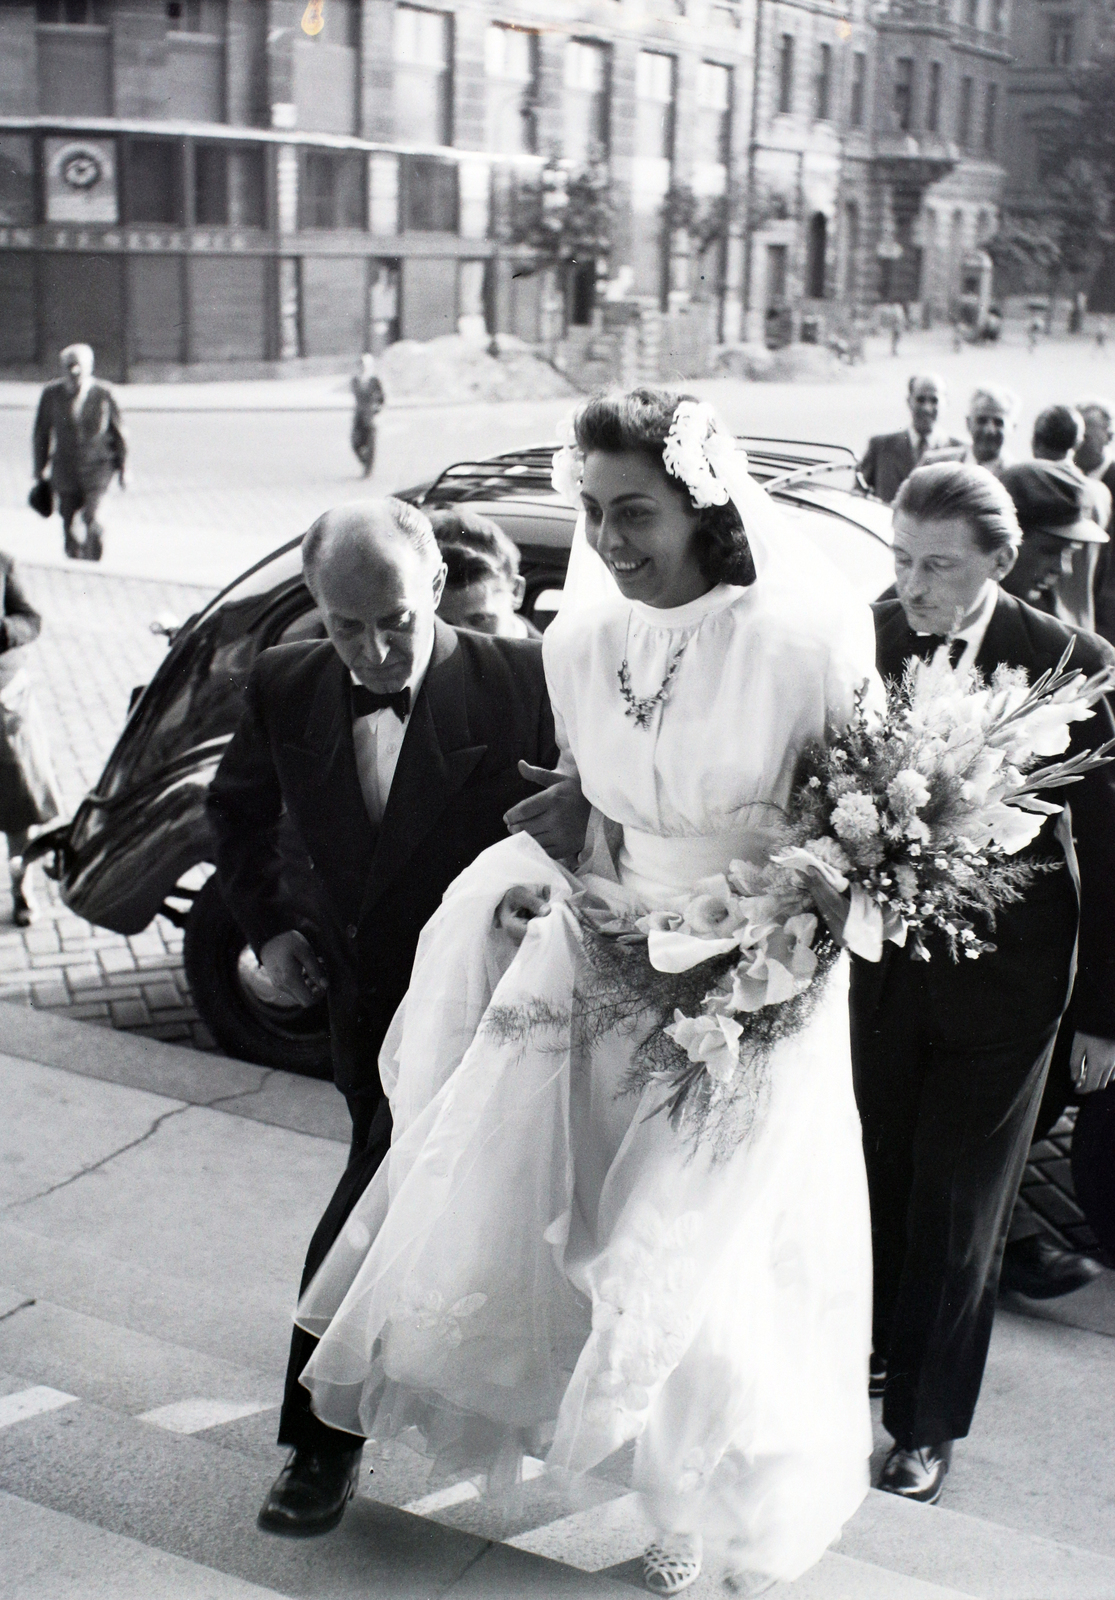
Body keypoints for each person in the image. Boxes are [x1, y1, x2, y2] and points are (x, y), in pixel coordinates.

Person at [293, 390, 877, 1595]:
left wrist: (770, 961)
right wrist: (553, 860)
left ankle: (691, 1505)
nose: (610, 542)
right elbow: (591, 801)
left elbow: (854, 845)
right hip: (598, 963)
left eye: (636, 512)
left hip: (746, 989)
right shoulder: (580, 635)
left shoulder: (801, 638)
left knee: (692, 1253)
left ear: (700, 505)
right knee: (562, 1230)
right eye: (593, 510)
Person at [206, 499, 568, 1539]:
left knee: (373, 1205)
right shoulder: (285, 677)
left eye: (395, 622)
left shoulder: (523, 682)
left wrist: (543, 898)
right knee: (400, 1206)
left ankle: (317, 1447)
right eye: (344, 621)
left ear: (440, 590)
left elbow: (589, 828)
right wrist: (268, 933)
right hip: (362, 1013)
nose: (369, 649)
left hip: (495, 1013)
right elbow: (235, 811)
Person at [853, 462, 1115, 1507]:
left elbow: (1110, 851)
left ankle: (923, 1425)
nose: (911, 586)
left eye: (936, 566)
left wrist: (1100, 1015)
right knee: (874, 1184)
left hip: (1006, 998)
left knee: (960, 1214)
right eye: (900, 560)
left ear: (1001, 564)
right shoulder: (864, 641)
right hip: (874, 980)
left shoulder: (1075, 665)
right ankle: (869, 1354)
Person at [0, 553, 62, 926]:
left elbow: (30, 619)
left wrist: (4, 629)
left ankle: (21, 886)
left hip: (5, 703)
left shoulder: (2, 562)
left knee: (19, 806)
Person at [32, 344, 125, 562]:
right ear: (62, 368)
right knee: (68, 519)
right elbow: (41, 432)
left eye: (78, 366)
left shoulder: (105, 393)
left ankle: (94, 554)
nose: (73, 371)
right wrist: (39, 468)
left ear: (90, 367)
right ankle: (75, 561)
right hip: (65, 469)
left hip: (98, 467)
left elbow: (120, 433)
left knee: (94, 517)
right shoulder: (51, 394)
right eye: (68, 365)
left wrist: (124, 469)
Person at [998, 461, 1109, 630]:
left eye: (1070, 552)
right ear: (1002, 540)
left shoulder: (1048, 623)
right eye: (1050, 551)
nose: (1063, 569)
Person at [430, 507, 541, 638]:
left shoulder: (550, 658)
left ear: (516, 591)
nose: (459, 640)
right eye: (442, 624)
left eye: (478, 620)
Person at [859, 374, 962, 505]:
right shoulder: (880, 447)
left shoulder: (959, 451)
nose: (926, 408)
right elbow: (857, 496)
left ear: (946, 403)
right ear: (909, 401)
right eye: (920, 400)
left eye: (934, 400)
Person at [1075, 397, 1115, 643]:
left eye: (1086, 438)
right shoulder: (1066, 482)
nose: (1077, 444)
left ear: (1109, 437)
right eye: (1075, 436)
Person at [924, 385, 1016, 477]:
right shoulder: (936, 466)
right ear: (968, 423)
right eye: (982, 420)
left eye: (998, 422)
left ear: (1013, 428)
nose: (989, 430)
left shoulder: (1016, 477)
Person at [350, 354, 385, 478]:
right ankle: (364, 462)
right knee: (355, 443)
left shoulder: (374, 380)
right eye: (360, 365)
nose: (362, 368)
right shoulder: (354, 380)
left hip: (370, 417)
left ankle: (368, 469)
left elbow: (381, 398)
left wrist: (376, 410)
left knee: (370, 444)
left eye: (364, 365)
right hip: (358, 416)